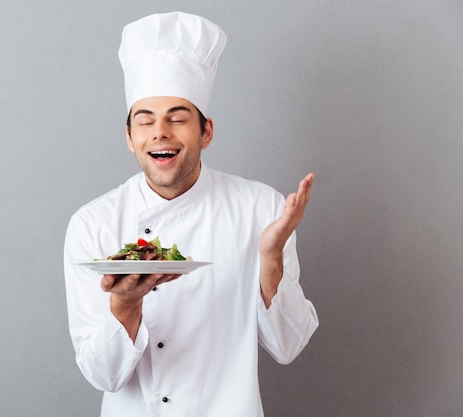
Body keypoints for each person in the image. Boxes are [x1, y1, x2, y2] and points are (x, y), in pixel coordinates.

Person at [64, 11, 318, 417]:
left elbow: (288, 346)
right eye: (145, 121)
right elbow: (103, 377)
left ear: (206, 132)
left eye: (177, 119)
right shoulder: (92, 224)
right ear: (130, 138)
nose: (160, 132)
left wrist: (270, 259)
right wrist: (125, 305)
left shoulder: (262, 210)